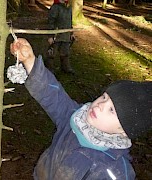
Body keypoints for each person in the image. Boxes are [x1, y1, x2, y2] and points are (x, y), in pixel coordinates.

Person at [10, 38, 152, 180]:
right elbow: (53, 94)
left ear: (123, 130)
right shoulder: (76, 117)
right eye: (104, 97)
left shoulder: (114, 171)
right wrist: (29, 61)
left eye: (111, 110)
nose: (100, 105)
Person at [46, 0, 74, 74]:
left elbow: (70, 21)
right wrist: (50, 36)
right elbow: (51, 21)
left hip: (66, 34)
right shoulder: (55, 7)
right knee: (52, 53)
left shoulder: (69, 7)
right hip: (56, 34)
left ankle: (65, 67)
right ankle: (50, 68)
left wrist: (71, 33)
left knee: (65, 52)